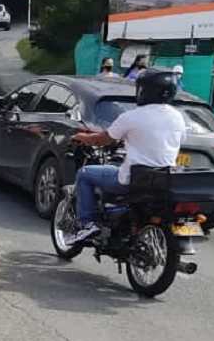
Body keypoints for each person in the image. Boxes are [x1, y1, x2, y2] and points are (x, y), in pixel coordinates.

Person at [67, 69, 185, 243]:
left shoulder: (132, 116)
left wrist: (81, 137)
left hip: (133, 179)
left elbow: (102, 140)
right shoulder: (178, 117)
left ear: (144, 90)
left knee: (85, 174)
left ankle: (87, 224)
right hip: (164, 180)